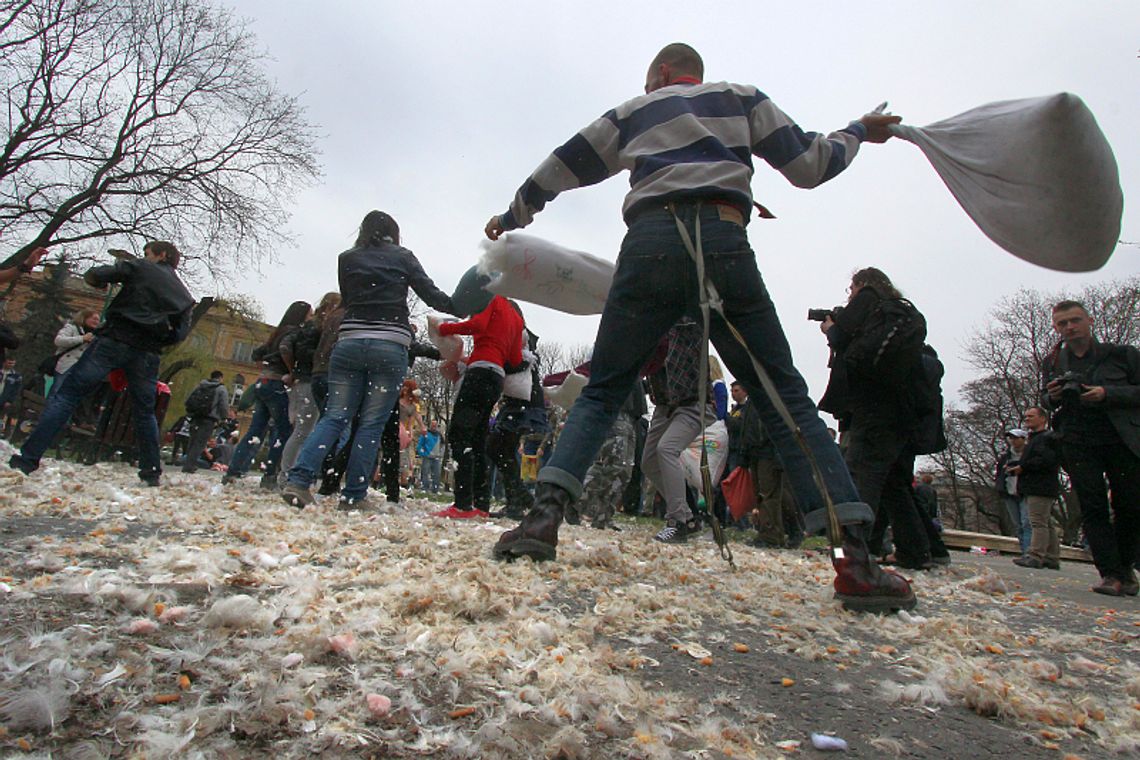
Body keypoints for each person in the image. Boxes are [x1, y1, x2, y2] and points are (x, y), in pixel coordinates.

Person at [483, 43, 911, 612]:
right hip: (723, 239)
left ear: (660, 74)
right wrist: (858, 128)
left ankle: (542, 522)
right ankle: (853, 560)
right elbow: (811, 165)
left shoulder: (636, 110)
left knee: (606, 387)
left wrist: (513, 215)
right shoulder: (741, 99)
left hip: (650, 245)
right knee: (782, 396)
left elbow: (562, 165)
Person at [282, 211, 461, 509]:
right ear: (394, 232)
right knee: (371, 424)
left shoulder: (347, 258)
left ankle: (298, 482)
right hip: (389, 345)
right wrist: (459, 306)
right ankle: (353, 495)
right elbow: (431, 294)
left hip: (349, 341)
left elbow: (349, 300)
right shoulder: (403, 257)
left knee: (335, 417)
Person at [9, 241, 193, 485]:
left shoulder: (139, 268)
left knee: (68, 396)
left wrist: (99, 282)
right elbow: (179, 334)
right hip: (148, 351)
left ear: (162, 255)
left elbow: (97, 274)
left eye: (148, 253)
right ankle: (151, 472)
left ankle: (28, 459)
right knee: (145, 411)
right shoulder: (184, 296)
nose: (145, 256)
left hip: (115, 339)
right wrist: (157, 339)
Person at [820, 267, 934, 571]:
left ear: (860, 286)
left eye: (851, 289)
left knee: (860, 474)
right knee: (895, 483)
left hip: (872, 407)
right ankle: (916, 550)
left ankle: (852, 550)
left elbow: (843, 337)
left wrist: (831, 328)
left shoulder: (868, 298)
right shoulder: (901, 312)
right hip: (900, 408)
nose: (851, 295)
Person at [1042, 300, 1139, 596]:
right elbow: (1046, 401)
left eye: (1075, 320)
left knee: (1130, 505)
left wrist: (1107, 394)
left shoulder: (1122, 356)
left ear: (1090, 320)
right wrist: (1053, 396)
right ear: (1056, 327)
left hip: (1121, 440)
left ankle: (1125, 569)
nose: (1069, 328)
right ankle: (1110, 573)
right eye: (1062, 323)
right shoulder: (1055, 362)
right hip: (1077, 440)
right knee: (1092, 506)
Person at [430, 295, 523, 519]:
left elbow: (478, 325)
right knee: (479, 439)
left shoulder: (493, 298)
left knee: (459, 435)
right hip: (496, 376)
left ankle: (463, 504)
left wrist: (444, 329)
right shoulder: (517, 318)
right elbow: (516, 358)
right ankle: (481, 504)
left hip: (480, 371)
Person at [224, 301, 310, 488]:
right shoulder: (293, 333)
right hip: (278, 383)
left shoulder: (277, 333)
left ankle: (234, 471)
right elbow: (286, 349)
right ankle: (271, 474)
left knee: (256, 430)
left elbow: (257, 354)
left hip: (263, 383)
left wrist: (264, 371)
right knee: (283, 431)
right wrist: (291, 372)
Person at [277, 292, 341, 484]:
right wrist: (324, 356)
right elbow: (298, 350)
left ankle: (293, 472)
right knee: (303, 430)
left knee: (306, 429)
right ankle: (288, 474)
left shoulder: (315, 326)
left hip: (307, 377)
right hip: (308, 379)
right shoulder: (316, 327)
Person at [1010, 406, 1062, 570]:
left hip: (1039, 486)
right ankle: (1051, 557)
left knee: (1037, 522)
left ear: (1043, 418)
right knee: (1046, 522)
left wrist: (1023, 468)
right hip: (1042, 486)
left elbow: (1046, 460)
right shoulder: (1038, 438)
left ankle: (1035, 555)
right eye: (1025, 416)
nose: (1027, 419)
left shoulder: (1044, 439)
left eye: (1031, 416)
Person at [182, 370, 230, 474]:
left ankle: (187, 462)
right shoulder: (221, 389)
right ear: (221, 378)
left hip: (196, 416)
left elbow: (189, 400)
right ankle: (189, 465)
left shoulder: (201, 385)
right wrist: (224, 418)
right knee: (200, 442)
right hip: (209, 419)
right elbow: (223, 406)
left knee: (193, 440)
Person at [995, 429, 1031, 554]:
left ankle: (1028, 551)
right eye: (1011, 438)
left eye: (1016, 438)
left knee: (1026, 522)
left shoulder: (1028, 455)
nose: (1013, 441)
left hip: (1024, 492)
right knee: (1018, 524)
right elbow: (999, 474)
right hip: (1009, 492)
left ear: (1023, 439)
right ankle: (1023, 549)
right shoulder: (1005, 457)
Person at [49, 310, 100, 397]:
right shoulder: (72, 327)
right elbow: (59, 341)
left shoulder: (96, 336)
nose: (96, 322)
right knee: (57, 392)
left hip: (81, 370)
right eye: (94, 318)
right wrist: (82, 338)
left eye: (98, 320)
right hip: (66, 366)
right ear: (85, 318)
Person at [417, 420, 445, 493]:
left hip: (436, 457)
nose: (434, 426)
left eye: (435, 425)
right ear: (430, 425)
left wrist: (440, 454)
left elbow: (443, 445)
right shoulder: (425, 433)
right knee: (425, 473)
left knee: (437, 474)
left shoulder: (439, 435)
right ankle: (425, 488)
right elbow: (420, 444)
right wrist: (422, 453)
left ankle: (435, 489)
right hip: (427, 457)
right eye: (432, 425)